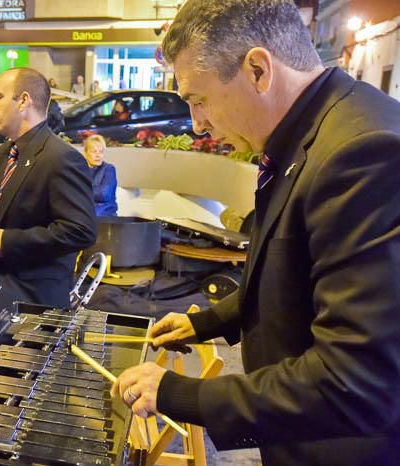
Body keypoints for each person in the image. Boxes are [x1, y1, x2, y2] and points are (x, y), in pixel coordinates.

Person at [111, 1, 400, 465]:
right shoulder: (314, 131)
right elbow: (293, 270)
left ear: (259, 70)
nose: (196, 123)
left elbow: (356, 381)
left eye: (198, 99)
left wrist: (187, 395)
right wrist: (208, 321)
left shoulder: (363, 153)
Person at [0, 68, 97, 311]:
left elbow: (81, 231)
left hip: (31, 296)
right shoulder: (3, 154)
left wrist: (8, 242)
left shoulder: (61, 157)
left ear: (23, 101)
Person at [83, 135, 117, 216]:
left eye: (101, 151)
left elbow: (104, 194)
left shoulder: (109, 169)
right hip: (84, 214)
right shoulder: (79, 169)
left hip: (104, 216)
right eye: (94, 151)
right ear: (86, 152)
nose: (98, 155)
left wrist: (80, 189)